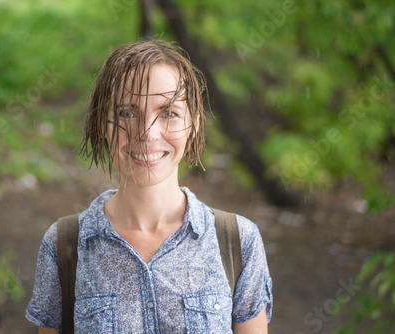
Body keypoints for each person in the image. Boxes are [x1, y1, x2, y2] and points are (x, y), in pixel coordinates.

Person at [26, 39, 273, 333]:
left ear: (193, 123)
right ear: (102, 123)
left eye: (168, 112)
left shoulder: (237, 242)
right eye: (127, 113)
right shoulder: (64, 245)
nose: (147, 133)